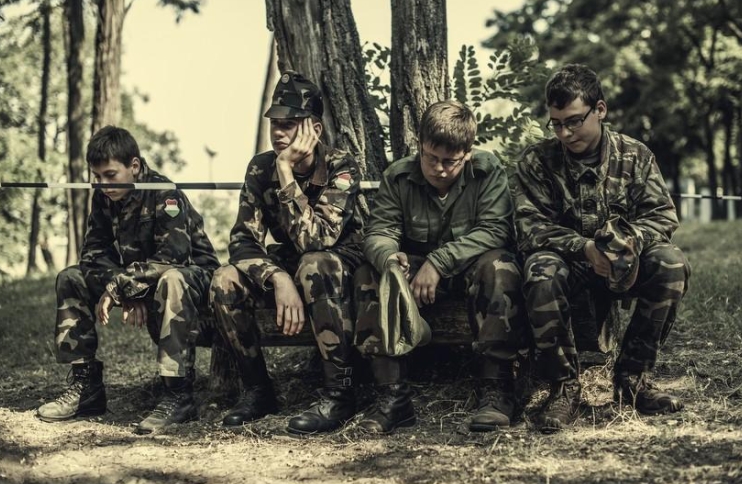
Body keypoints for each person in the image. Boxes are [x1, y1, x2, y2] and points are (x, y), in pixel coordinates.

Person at [511, 63, 691, 433]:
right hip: (568, 265)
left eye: (574, 121)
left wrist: (628, 244)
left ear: (600, 110)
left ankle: (633, 380)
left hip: (625, 265)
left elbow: (662, 216)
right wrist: (584, 248)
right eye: (556, 123)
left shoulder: (635, 155)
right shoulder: (537, 160)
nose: (564, 132)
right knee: (540, 269)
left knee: (671, 264)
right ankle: (564, 387)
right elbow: (530, 228)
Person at [354, 100, 524, 434]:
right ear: (420, 145)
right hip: (413, 273)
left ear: (468, 153)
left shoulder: (487, 172)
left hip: (468, 269)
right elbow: (380, 232)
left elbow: (495, 230)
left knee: (501, 266)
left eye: (450, 161)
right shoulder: (399, 176)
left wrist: (439, 261)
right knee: (367, 275)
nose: (440, 169)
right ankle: (393, 397)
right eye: (431, 157)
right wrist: (390, 259)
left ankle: (496, 390)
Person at [210, 70, 366, 434]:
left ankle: (339, 394)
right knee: (224, 279)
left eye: (290, 124)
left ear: (315, 129)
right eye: (274, 124)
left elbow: (318, 241)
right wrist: (277, 277)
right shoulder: (258, 168)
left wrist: (285, 172)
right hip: (293, 263)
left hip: (340, 261)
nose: (279, 133)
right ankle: (257, 390)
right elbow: (242, 241)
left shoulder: (341, 166)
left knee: (314, 264)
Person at [37, 126, 220, 434]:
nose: (103, 185)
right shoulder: (105, 197)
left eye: (110, 175)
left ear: (134, 166)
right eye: (97, 177)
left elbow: (173, 257)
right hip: (144, 281)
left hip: (194, 282)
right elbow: (93, 254)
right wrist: (124, 290)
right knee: (71, 277)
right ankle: (87, 388)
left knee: (172, 279)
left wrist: (122, 285)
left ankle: (178, 395)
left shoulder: (165, 194)